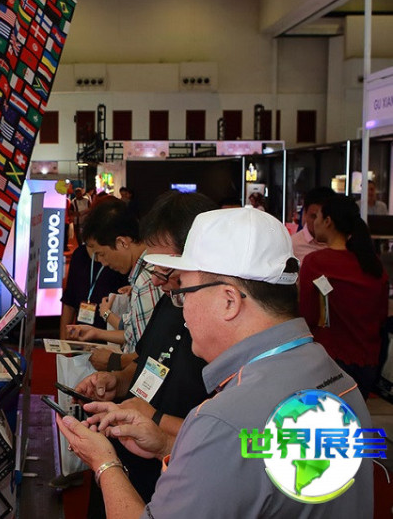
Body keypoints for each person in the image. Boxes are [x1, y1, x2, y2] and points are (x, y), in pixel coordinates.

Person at [58, 207, 373, 518]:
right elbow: (263, 467)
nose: (182, 309)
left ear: (228, 301)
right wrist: (166, 444)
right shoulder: (338, 380)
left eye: (185, 292)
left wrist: (104, 463)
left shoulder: (223, 419)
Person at [74, 192, 216, 510]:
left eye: (167, 269)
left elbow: (225, 437)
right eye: (155, 267)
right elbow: (146, 360)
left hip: (178, 478)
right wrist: (118, 381)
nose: (156, 280)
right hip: (137, 454)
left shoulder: (219, 329)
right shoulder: (169, 299)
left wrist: (154, 420)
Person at [299, 194, 389, 398]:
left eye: (317, 217)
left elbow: (308, 315)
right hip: (368, 362)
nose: (314, 223)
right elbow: (381, 315)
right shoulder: (372, 264)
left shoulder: (316, 262)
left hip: (328, 360)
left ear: (328, 221)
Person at [66, 199, 161, 369]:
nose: (103, 262)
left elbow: (149, 355)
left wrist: (113, 362)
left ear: (122, 242)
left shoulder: (147, 280)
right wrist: (96, 333)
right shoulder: (142, 275)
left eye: (102, 254)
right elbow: (133, 335)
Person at [60, 243, 129, 338]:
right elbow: (69, 300)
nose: (101, 260)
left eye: (101, 254)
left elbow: (129, 333)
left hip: (111, 338)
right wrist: (63, 341)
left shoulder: (120, 261)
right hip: (82, 334)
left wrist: (106, 314)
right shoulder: (80, 254)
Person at [291, 186, 336, 264]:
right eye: (314, 216)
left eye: (323, 218)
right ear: (305, 213)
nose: (317, 222)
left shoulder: (342, 245)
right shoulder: (292, 245)